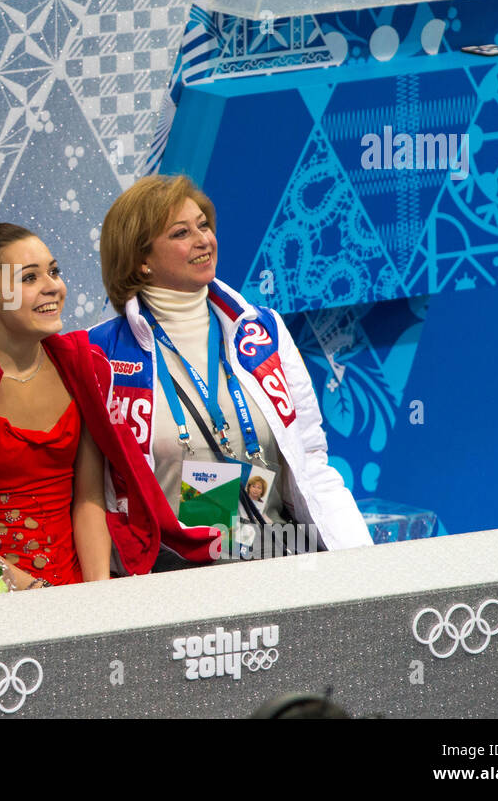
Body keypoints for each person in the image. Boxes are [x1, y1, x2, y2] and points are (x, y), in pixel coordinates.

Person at [0, 224, 216, 587]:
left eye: (54, 271)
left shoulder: (83, 367)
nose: (53, 286)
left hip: (74, 586)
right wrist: (30, 590)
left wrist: (95, 592)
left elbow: (90, 499)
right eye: (29, 277)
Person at [89, 175, 373, 555]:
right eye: (180, 233)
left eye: (203, 225)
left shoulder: (265, 330)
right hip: (171, 580)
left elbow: (312, 463)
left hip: (276, 560)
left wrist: (361, 559)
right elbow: (96, 496)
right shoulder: (99, 353)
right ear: (141, 261)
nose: (203, 239)